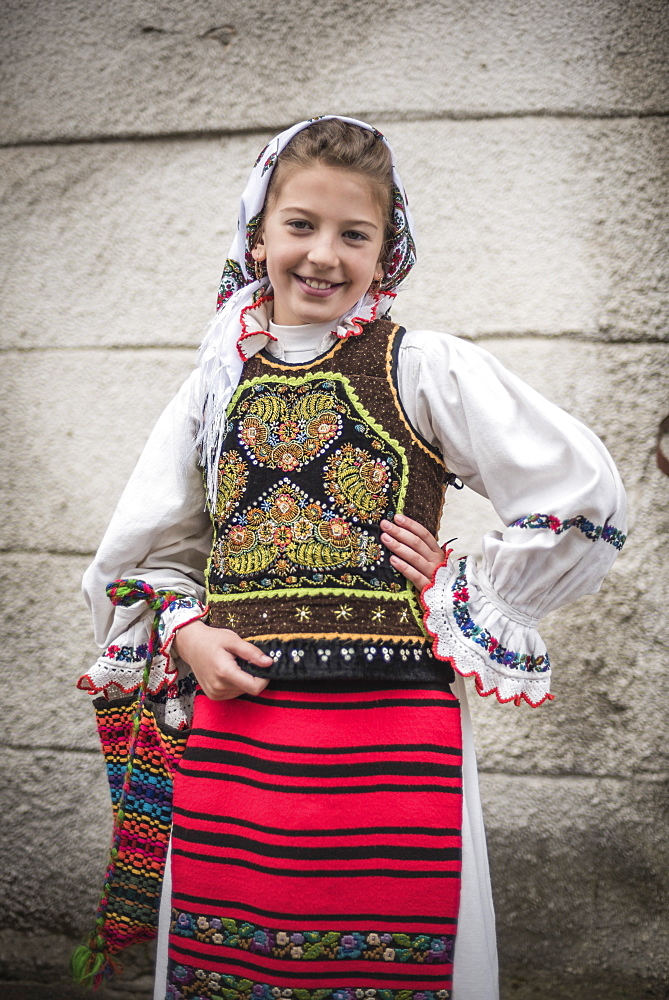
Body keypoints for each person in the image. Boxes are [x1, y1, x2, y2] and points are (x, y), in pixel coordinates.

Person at [79, 116, 627, 1000]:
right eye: (299, 224)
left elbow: (578, 490)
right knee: (227, 963)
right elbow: (145, 557)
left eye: (353, 233)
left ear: (388, 248)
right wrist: (183, 636)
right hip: (239, 732)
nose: (323, 254)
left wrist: (465, 588)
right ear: (257, 233)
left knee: (395, 962)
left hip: (391, 735)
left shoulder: (422, 367)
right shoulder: (213, 385)